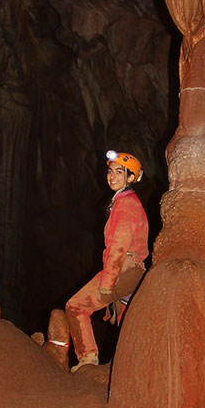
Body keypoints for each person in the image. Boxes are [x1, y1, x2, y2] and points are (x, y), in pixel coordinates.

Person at [65, 150, 150, 373]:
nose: (112, 177)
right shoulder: (127, 202)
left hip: (122, 270)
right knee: (126, 322)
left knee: (75, 307)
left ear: (131, 178)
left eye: (119, 173)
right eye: (110, 172)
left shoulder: (125, 205)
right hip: (133, 272)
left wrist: (106, 285)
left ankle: (88, 358)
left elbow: (118, 248)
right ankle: (133, 367)